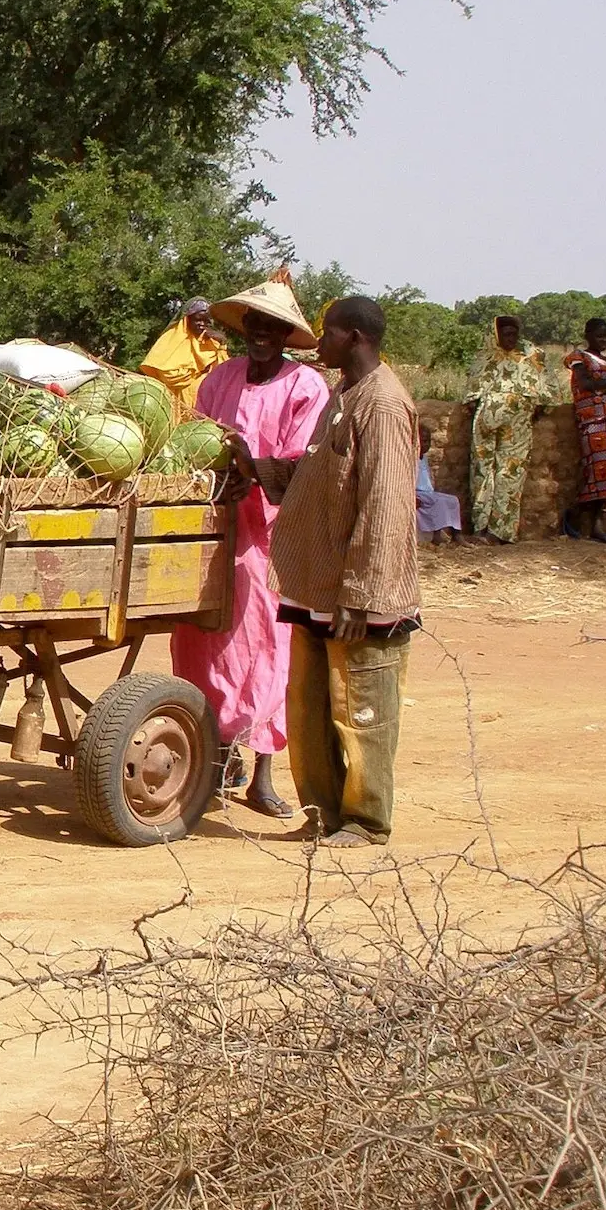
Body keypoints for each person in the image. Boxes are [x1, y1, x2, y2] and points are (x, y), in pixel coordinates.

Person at [228, 296, 420, 849]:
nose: (319, 343)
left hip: (359, 594)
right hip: (315, 582)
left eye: (329, 334)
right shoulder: (344, 396)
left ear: (355, 337)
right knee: (310, 710)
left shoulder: (382, 406)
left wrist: (361, 594)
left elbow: (384, 504)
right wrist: (256, 466)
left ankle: (365, 821)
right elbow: (314, 479)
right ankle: (323, 813)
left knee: (362, 712)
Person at [169, 281, 330, 821]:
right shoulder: (219, 378)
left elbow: (299, 464)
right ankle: (212, 763)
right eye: (253, 325)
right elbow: (194, 439)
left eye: (272, 328)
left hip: (265, 539)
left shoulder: (306, 387)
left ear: (285, 335)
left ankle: (262, 776)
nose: (261, 335)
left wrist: (252, 477)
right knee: (202, 648)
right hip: (211, 529)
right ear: (244, 329)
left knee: (263, 650)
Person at [466, 314, 561, 544]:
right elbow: (471, 395)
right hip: (486, 422)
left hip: (518, 425)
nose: (511, 338)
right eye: (506, 334)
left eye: (514, 334)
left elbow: (549, 390)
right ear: (497, 334)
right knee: (481, 471)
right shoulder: (485, 356)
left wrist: (535, 409)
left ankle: (500, 532)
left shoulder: (531, 356)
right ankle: (480, 526)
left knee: (510, 474)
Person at [562, 317, 606, 545]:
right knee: (597, 470)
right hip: (593, 423)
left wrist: (605, 387)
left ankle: (597, 524)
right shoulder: (579, 358)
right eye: (599, 336)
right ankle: (577, 512)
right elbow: (584, 384)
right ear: (587, 336)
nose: (604, 340)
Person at [139, 298, 231, 418]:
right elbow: (168, 376)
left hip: (204, 410)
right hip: (176, 406)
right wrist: (198, 370)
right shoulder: (172, 339)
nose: (201, 324)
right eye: (197, 320)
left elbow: (224, 375)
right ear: (187, 319)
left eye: (205, 321)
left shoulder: (212, 342)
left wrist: (222, 343)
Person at [416, 422, 463, 544]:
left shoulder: (424, 458)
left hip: (428, 493)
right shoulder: (409, 457)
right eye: (423, 441)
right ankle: (436, 534)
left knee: (453, 500)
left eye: (428, 441)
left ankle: (456, 534)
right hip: (417, 493)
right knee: (438, 502)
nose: (425, 445)